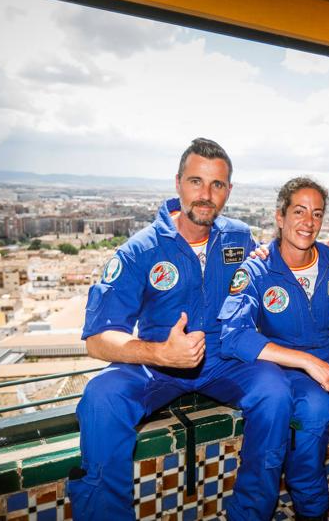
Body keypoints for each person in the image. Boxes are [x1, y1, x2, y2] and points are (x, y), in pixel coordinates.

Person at [68, 138, 293, 521]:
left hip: (225, 360)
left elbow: (275, 272)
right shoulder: (140, 250)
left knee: (275, 391)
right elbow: (98, 339)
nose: (206, 195)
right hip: (158, 364)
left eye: (217, 185)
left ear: (229, 191)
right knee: (101, 397)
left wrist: (327, 255)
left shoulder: (238, 238)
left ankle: (250, 513)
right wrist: (160, 354)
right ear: (177, 183)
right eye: (195, 181)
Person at [219, 177, 329, 521]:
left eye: (317, 214)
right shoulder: (257, 269)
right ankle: (312, 508)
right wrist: (304, 361)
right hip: (286, 363)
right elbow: (233, 336)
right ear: (280, 216)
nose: (308, 222)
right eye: (299, 211)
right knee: (313, 413)